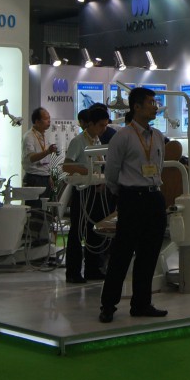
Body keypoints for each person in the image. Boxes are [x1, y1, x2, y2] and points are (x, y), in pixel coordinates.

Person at [99, 87, 168, 323]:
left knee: (149, 254)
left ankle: (141, 303)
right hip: (131, 198)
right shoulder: (122, 137)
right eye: (151, 103)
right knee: (122, 254)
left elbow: (159, 166)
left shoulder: (158, 136)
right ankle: (108, 305)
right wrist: (123, 194)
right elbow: (111, 172)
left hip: (154, 197)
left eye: (155, 103)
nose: (155, 107)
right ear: (136, 107)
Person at [63, 105, 112, 283]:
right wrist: (88, 172)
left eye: (105, 125)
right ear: (90, 124)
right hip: (82, 191)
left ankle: (93, 269)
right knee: (77, 231)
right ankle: (73, 272)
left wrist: (100, 180)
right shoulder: (78, 141)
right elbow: (67, 166)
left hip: (96, 190)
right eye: (101, 125)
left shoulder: (97, 141)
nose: (104, 129)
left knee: (94, 230)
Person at [22, 107, 56, 243]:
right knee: (34, 212)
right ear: (37, 121)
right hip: (34, 178)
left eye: (49, 118)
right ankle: (31, 242)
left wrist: (49, 176)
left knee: (44, 211)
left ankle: (42, 241)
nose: (49, 121)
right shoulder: (29, 137)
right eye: (46, 119)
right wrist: (47, 152)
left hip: (44, 177)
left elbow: (45, 160)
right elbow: (31, 158)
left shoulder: (44, 136)